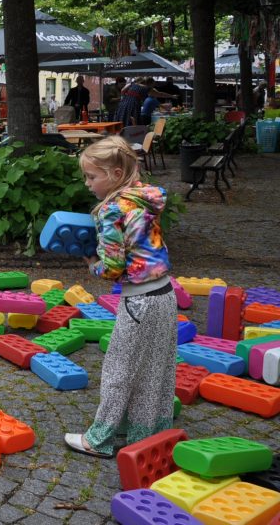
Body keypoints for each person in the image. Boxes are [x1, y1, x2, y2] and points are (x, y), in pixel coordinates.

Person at [64, 136, 175, 458]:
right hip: (164, 294)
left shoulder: (111, 209)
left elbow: (113, 268)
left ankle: (99, 440)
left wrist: (92, 266)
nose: (87, 184)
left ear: (114, 174)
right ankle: (146, 433)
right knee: (155, 370)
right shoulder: (143, 198)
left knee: (119, 371)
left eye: (91, 176)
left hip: (140, 301)